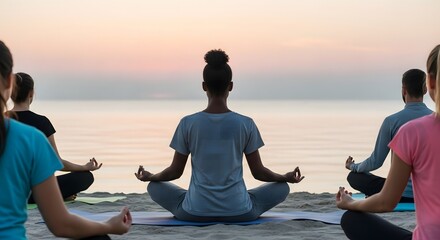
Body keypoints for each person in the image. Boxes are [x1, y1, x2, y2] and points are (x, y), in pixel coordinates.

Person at [135, 49, 304, 222]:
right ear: (230, 86)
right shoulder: (246, 123)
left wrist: (151, 177)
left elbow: (175, 172)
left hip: (195, 212)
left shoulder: (188, 123)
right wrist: (285, 177)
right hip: (240, 212)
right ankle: (226, 199)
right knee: (282, 188)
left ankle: (198, 198)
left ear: (203, 86)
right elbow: (259, 173)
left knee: (154, 187)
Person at [0, 40, 131, 239]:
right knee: (86, 184)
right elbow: (61, 225)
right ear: (11, 83)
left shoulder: (19, 128)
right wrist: (108, 226)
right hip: (32, 194)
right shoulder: (32, 135)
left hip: (29, 192)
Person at [336, 44, 440, 240]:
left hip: (401, 198)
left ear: (431, 83)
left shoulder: (408, 129)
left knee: (351, 212)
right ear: (424, 88)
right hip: (407, 196)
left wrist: (352, 175)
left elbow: (384, 193)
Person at [9, 72, 102, 204]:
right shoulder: (41, 122)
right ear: (31, 93)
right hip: (32, 193)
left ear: (11, 93)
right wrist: (84, 167)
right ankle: (59, 195)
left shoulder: (3, 120)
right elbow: (57, 163)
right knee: (86, 177)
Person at [344, 69, 432, 203]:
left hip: (396, 193)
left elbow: (375, 162)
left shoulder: (391, 121)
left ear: (404, 90)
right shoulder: (436, 120)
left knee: (353, 177)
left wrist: (353, 166)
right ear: (425, 89)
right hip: (428, 194)